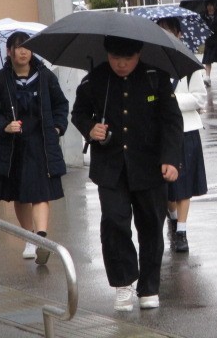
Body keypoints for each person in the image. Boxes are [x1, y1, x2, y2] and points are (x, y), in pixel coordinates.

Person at [71, 35, 183, 311]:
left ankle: (149, 287)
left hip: (150, 166)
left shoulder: (156, 77)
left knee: (151, 226)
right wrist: (90, 128)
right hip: (110, 168)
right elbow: (78, 113)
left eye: (127, 59)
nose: (121, 64)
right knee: (114, 222)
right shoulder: (94, 79)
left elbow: (172, 121)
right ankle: (122, 283)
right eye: (115, 58)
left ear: (139, 54)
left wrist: (171, 159)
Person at [0, 31, 68, 266]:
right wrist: (4, 126)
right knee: (20, 194)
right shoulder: (0, 80)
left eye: (27, 47)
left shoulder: (45, 76)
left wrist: (58, 127)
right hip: (14, 146)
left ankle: (41, 239)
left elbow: (61, 104)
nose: (23, 52)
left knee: (41, 192)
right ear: (9, 51)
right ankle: (29, 237)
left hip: (41, 143)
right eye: (18, 47)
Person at [156, 18, 208, 253]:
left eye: (169, 31)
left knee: (184, 184)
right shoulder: (150, 62)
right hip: (159, 133)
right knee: (166, 185)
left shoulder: (190, 63)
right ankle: (173, 216)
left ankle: (182, 231)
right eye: (160, 31)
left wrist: (171, 101)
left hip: (186, 130)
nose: (165, 35)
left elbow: (200, 98)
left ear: (178, 34)